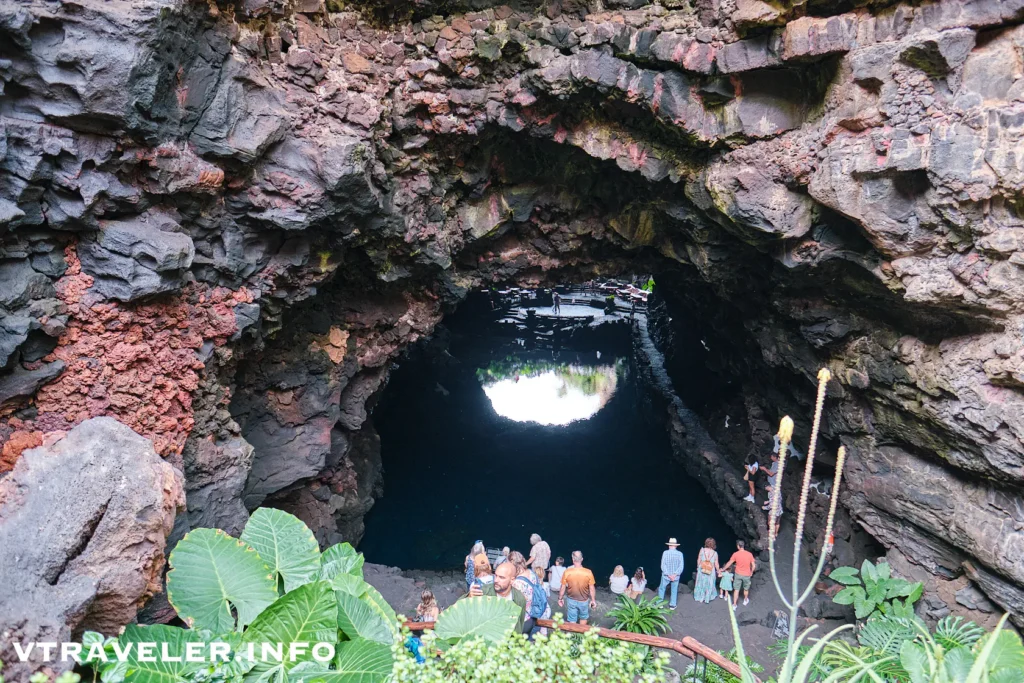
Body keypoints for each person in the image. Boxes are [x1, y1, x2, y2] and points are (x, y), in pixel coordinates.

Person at [467, 562, 529, 633]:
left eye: (501, 577)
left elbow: (519, 626)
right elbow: (460, 612)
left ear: (512, 580)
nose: (496, 580)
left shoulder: (519, 599)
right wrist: (469, 598)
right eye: (495, 575)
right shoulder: (483, 592)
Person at [511, 551, 550, 635]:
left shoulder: (516, 582)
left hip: (522, 619)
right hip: (533, 615)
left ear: (512, 564)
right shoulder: (532, 573)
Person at [558, 550, 596, 624]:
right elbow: (591, 588)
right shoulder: (588, 572)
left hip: (571, 599)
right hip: (584, 600)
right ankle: (581, 634)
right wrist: (593, 600)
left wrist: (560, 598)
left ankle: (572, 634)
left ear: (573, 560)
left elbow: (563, 587)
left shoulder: (567, 572)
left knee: (572, 619)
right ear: (582, 559)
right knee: (583, 617)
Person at [722, 540, 757, 606]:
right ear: (743, 546)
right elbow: (754, 565)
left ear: (738, 546)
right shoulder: (749, 554)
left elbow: (729, 563)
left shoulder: (735, 554)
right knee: (746, 589)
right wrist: (751, 572)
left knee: (736, 590)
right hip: (747, 574)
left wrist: (723, 569)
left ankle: (734, 604)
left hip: (738, 574)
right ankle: (745, 600)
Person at [658, 537, 684, 609]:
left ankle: (659, 604)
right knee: (674, 589)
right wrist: (674, 575)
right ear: (675, 546)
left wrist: (668, 574)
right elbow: (681, 567)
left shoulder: (665, 553)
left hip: (666, 576)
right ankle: (672, 605)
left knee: (662, 588)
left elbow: (663, 565)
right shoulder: (680, 554)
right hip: (675, 577)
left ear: (669, 545)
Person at [693, 538, 720, 604]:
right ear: (713, 544)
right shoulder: (715, 553)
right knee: (709, 583)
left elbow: (698, 559)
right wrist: (718, 571)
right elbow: (716, 563)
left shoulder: (702, 550)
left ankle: (699, 597)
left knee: (701, 583)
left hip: (702, 568)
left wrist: (697, 567)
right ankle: (707, 598)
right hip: (710, 570)